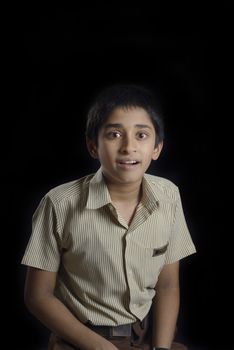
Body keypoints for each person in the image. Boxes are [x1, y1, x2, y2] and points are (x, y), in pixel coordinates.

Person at [22, 84, 196, 350]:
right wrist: (98, 346)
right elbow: (38, 296)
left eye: (141, 135)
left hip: (146, 337)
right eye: (114, 134)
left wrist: (161, 347)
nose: (128, 147)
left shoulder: (169, 196)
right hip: (81, 340)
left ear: (157, 147)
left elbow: (169, 285)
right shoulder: (60, 203)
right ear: (93, 146)